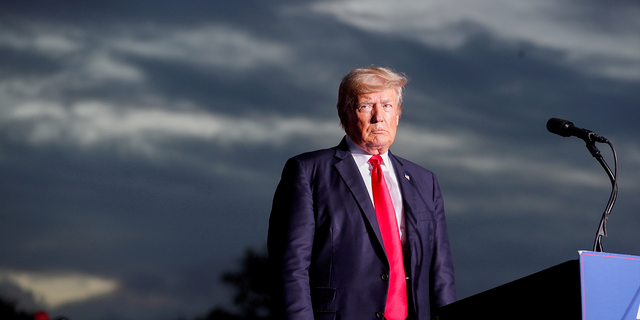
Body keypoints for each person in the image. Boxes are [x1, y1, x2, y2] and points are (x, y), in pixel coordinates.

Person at [268, 67, 456, 320]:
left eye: (388, 106)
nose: (379, 117)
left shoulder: (425, 181)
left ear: (398, 115)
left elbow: (440, 271)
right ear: (343, 114)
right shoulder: (307, 172)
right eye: (366, 106)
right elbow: (291, 268)